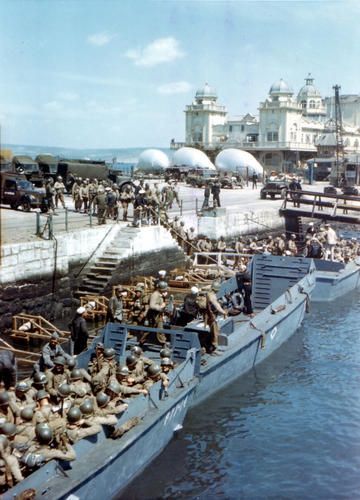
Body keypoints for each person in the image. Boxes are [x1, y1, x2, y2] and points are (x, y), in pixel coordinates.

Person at [139, 281, 168, 346]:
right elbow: (152, 305)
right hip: (153, 315)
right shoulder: (155, 295)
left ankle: (163, 343)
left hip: (158, 315)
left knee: (160, 329)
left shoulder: (160, 294)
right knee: (149, 329)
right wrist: (161, 307)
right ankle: (142, 341)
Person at [203, 281, 228, 354]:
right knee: (215, 332)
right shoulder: (212, 296)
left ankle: (211, 345)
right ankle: (214, 348)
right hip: (212, 317)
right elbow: (217, 306)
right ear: (216, 289)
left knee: (214, 330)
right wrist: (223, 312)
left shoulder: (208, 293)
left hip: (208, 315)